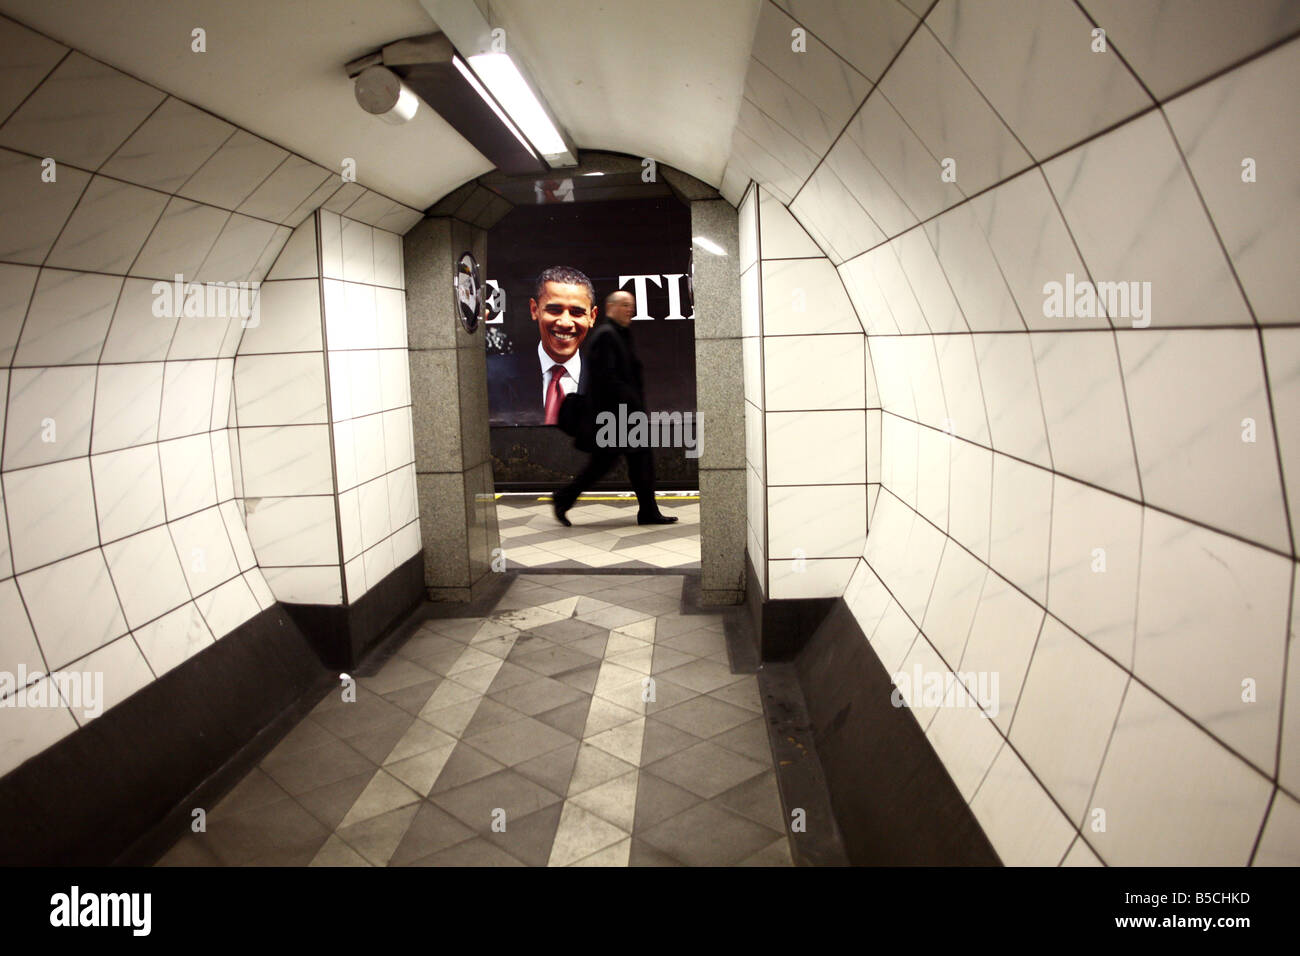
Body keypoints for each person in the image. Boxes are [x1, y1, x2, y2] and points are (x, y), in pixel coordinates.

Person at [553, 290, 678, 526]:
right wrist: (630, 402)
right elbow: (606, 379)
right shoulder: (606, 335)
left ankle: (648, 511)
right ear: (610, 308)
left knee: (636, 461)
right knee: (604, 465)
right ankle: (563, 498)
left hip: (624, 415)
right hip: (615, 417)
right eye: (625, 305)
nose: (630, 309)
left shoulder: (619, 334)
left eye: (631, 305)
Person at [486, 266, 596, 424]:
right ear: (534, 309)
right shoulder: (492, 376)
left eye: (576, 312)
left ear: (592, 317)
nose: (565, 322)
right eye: (554, 310)